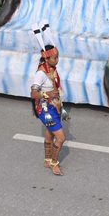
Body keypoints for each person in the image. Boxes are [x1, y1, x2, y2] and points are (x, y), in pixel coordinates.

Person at [31, 40, 67, 175]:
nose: (57, 60)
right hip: (46, 109)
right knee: (61, 138)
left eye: (57, 57)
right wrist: (49, 94)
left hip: (54, 106)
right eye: (55, 57)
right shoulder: (41, 73)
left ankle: (47, 159)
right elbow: (34, 93)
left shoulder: (52, 69)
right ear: (47, 58)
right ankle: (54, 163)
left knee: (50, 135)